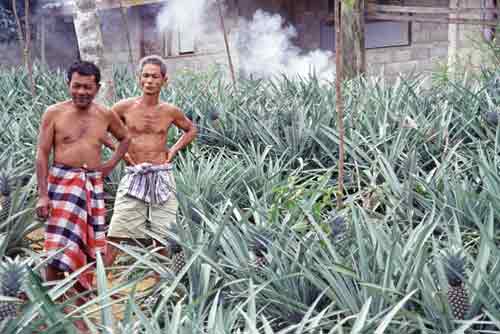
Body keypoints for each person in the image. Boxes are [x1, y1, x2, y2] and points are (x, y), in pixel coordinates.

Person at [35, 61, 130, 317]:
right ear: (68, 85)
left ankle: (79, 309)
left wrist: (110, 165)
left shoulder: (105, 114)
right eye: (76, 86)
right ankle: (52, 308)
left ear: (97, 88)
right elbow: (42, 153)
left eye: (87, 87)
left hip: (91, 186)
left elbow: (125, 138)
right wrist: (42, 194)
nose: (81, 92)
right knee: (56, 245)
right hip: (61, 184)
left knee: (89, 248)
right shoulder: (53, 113)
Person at [105, 55, 197, 269]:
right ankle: (97, 285)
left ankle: (164, 286)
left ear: (164, 80)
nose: (149, 81)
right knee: (118, 231)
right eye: (145, 75)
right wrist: (122, 154)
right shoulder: (124, 107)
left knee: (163, 234)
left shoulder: (170, 111)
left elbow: (191, 129)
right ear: (139, 79)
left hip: (162, 175)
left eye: (155, 76)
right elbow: (102, 129)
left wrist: (173, 150)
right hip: (134, 175)